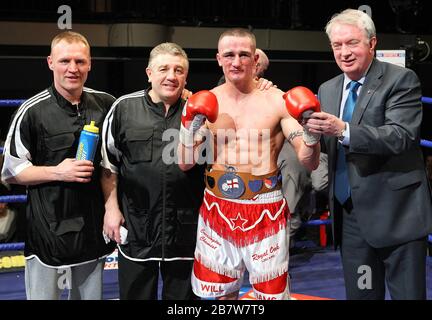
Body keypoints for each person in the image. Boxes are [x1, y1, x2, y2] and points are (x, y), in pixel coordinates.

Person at [178, 28, 321, 300]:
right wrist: (188, 129)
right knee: (218, 295)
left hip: (264, 205)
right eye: (229, 55)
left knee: (270, 296)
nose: (236, 61)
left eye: (244, 55)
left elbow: (309, 161)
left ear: (255, 59)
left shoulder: (278, 100)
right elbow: (185, 164)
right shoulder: (206, 100)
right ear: (218, 58)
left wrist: (312, 135)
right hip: (217, 206)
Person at [305, 9, 432, 299]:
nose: (344, 52)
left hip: (397, 213)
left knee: (408, 296)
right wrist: (309, 134)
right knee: (362, 294)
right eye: (337, 45)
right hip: (351, 218)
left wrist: (343, 129)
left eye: (352, 43)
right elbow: (326, 149)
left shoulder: (401, 79)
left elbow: (402, 136)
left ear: (372, 43)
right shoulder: (328, 88)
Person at [0, 31, 115, 300]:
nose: (73, 69)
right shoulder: (31, 110)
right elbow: (11, 171)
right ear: (50, 62)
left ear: (90, 64)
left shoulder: (107, 105)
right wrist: (58, 171)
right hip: (46, 232)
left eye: (80, 61)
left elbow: (117, 160)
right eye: (65, 61)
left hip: (92, 229)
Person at [101, 42, 205, 300]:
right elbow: (108, 164)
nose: (172, 76)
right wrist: (111, 209)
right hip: (137, 226)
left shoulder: (200, 111)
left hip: (186, 229)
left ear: (186, 76)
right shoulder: (124, 107)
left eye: (179, 70)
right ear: (149, 73)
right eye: (164, 69)